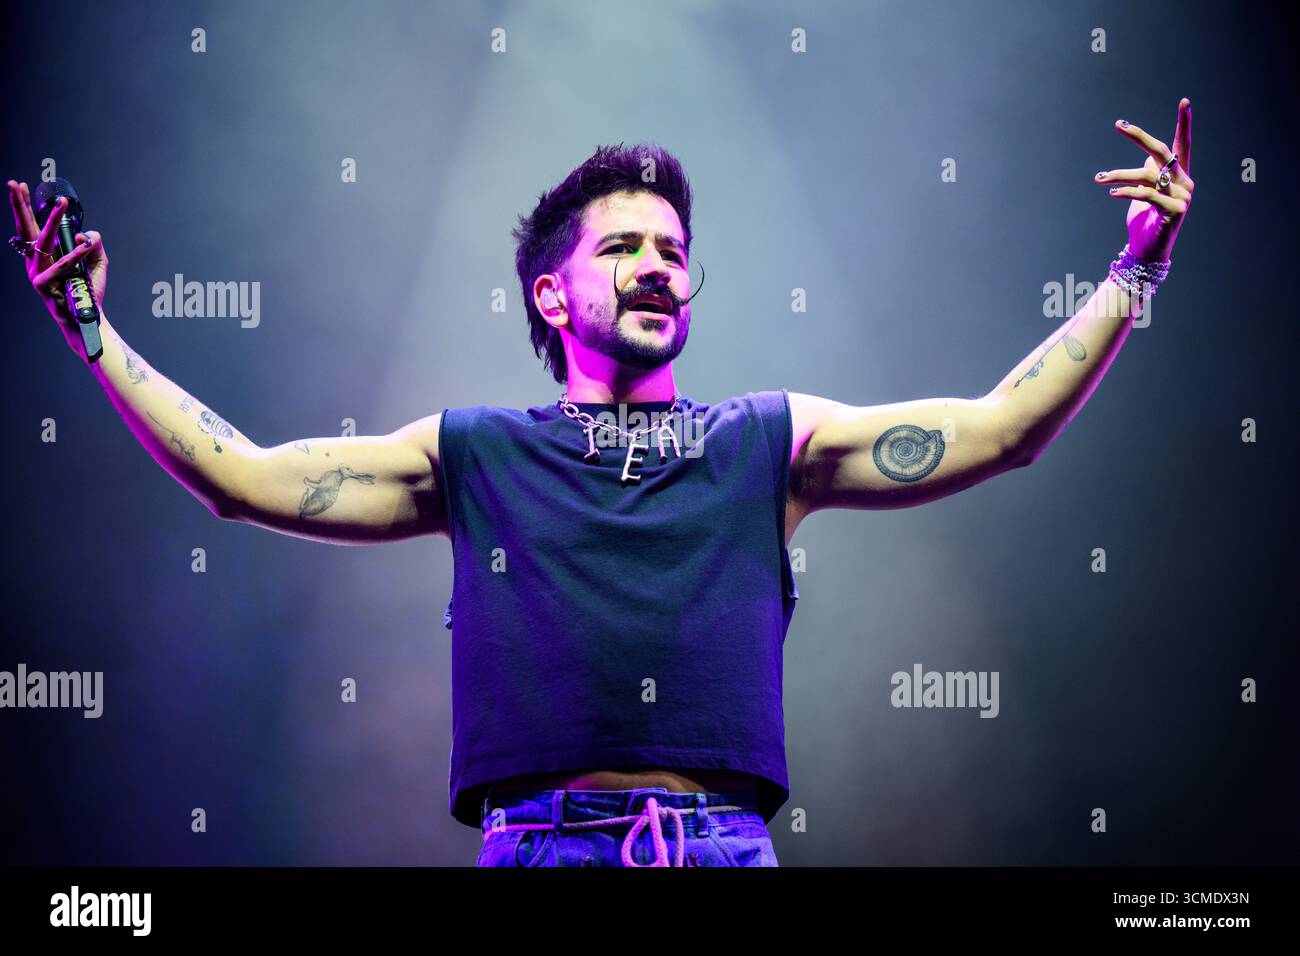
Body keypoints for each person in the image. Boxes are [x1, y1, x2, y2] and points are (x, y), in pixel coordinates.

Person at [6, 100, 1193, 867]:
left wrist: (1136, 267)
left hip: (721, 845)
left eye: (675, 250)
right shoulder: (472, 451)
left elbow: (1002, 430)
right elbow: (246, 482)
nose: (657, 267)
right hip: (538, 847)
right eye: (621, 246)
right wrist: (94, 335)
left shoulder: (768, 440)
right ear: (549, 294)